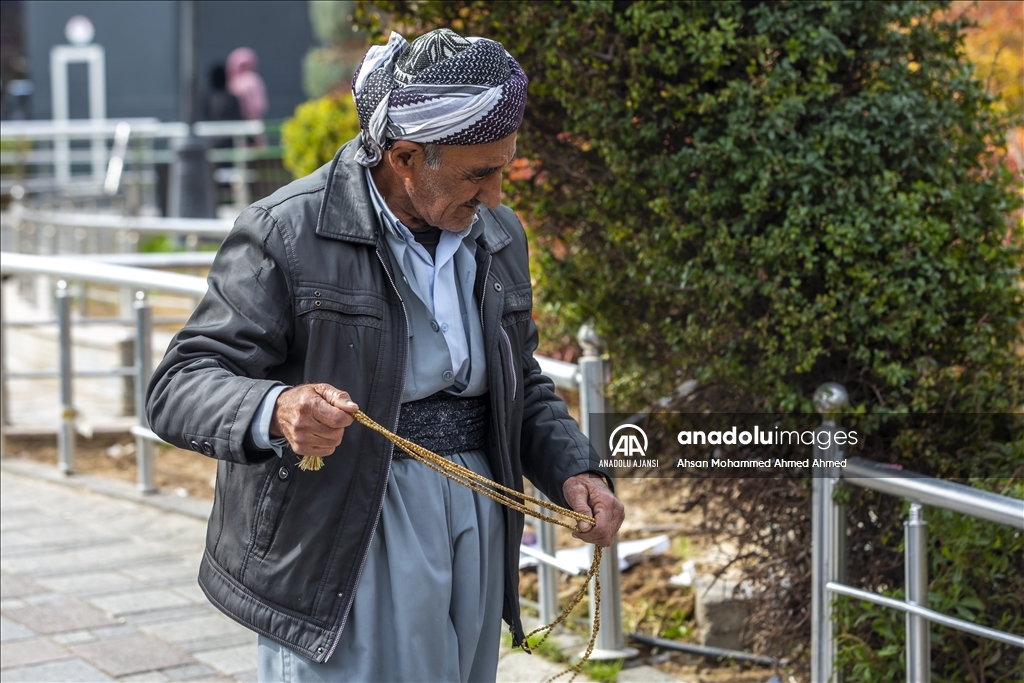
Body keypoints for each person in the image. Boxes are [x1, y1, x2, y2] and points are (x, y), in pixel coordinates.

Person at [147, 28, 624, 683]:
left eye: (503, 168)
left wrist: (574, 468)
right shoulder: (286, 231)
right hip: (347, 527)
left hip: (475, 521)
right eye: (480, 174)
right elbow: (176, 385)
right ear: (405, 158)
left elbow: (522, 380)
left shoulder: (497, 235)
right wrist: (278, 406)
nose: (497, 196)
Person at [226, 47, 267, 122]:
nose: (246, 69)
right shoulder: (228, 85)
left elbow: (259, 106)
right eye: (242, 66)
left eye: (249, 65)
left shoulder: (252, 80)